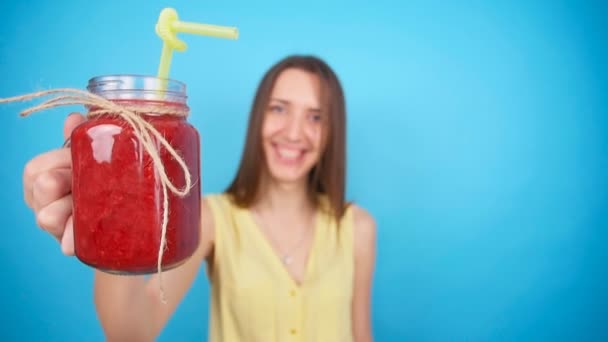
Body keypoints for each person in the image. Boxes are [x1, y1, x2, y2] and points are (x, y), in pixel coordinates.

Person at [23, 55, 376, 342]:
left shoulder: (358, 228)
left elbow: (361, 335)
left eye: (316, 117)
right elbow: (132, 333)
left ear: (333, 131)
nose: (294, 132)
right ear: (258, 118)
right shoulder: (210, 219)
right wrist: (117, 215)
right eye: (279, 109)